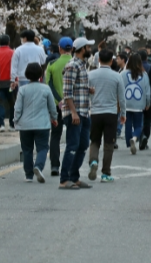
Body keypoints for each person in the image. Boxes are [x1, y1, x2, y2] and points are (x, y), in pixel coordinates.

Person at [59, 37, 94, 190]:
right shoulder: (72, 66)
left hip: (84, 111)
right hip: (75, 112)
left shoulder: (82, 65)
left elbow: (76, 87)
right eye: (88, 47)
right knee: (73, 145)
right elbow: (67, 92)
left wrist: (87, 89)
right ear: (82, 49)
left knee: (83, 144)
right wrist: (73, 113)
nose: (90, 49)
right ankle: (64, 179)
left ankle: (74, 176)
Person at [14, 63, 58, 183]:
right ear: (41, 75)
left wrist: (16, 120)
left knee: (27, 149)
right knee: (43, 148)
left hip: (25, 125)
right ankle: (38, 166)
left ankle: (28, 175)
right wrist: (54, 118)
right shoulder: (46, 88)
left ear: (27, 75)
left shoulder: (22, 90)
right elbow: (52, 107)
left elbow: (18, 108)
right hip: (42, 124)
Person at [87, 49, 126, 182]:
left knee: (95, 141)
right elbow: (122, 98)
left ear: (98, 60)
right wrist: (123, 113)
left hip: (95, 112)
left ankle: (93, 161)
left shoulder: (90, 75)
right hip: (111, 113)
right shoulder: (117, 76)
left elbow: (86, 93)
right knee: (109, 143)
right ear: (111, 61)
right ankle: (105, 173)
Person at [45, 37, 72, 177]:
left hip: (56, 105)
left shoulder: (52, 64)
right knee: (72, 136)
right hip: (73, 106)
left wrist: (59, 99)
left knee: (55, 135)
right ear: (72, 49)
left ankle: (55, 165)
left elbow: (48, 84)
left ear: (60, 49)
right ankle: (70, 165)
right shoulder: (78, 63)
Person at [121, 53, 151, 155]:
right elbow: (147, 91)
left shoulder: (123, 74)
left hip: (126, 103)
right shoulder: (144, 74)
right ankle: (134, 138)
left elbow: (119, 89)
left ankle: (130, 145)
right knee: (138, 125)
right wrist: (147, 103)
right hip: (139, 103)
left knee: (128, 125)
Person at [0, 34, 14, 132]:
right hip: (10, 81)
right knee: (12, 103)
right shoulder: (12, 53)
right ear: (8, 42)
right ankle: (12, 124)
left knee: (0, 103)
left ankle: (1, 124)